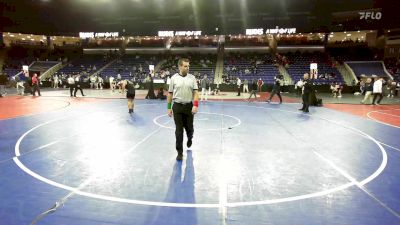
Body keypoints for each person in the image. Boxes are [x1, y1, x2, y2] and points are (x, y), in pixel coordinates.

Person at [167, 58, 199, 161]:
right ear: (180, 66)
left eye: (188, 66)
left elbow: (196, 93)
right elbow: (170, 93)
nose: (187, 68)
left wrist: (195, 105)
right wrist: (168, 107)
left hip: (189, 106)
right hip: (177, 107)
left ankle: (190, 138)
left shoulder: (192, 78)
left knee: (190, 128)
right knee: (179, 131)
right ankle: (179, 152)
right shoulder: (173, 78)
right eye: (185, 66)